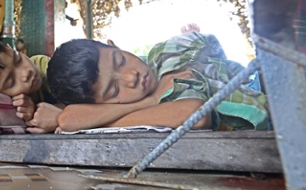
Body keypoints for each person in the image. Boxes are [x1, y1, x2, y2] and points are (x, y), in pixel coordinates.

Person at [42, 32, 269, 133]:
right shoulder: (149, 100)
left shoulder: (164, 56)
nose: (131, 77)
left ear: (113, 44)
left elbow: (195, 114)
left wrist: (97, 122)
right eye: (113, 91)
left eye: (120, 60)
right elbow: (70, 119)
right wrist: (148, 101)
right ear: (100, 106)